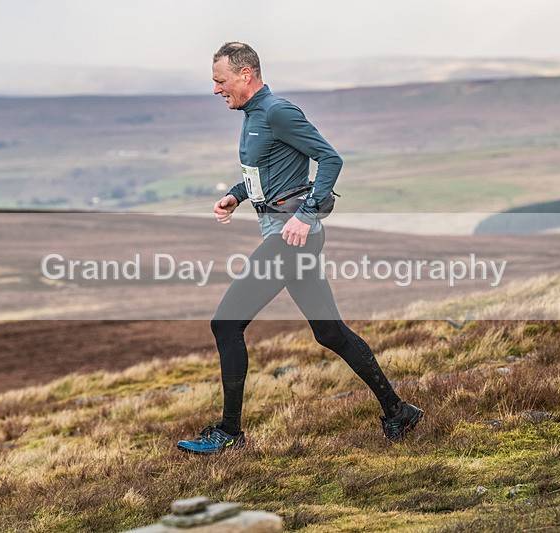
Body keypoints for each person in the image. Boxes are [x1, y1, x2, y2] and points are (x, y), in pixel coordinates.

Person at [176, 42, 423, 454]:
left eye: (221, 81)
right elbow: (268, 173)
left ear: (245, 75)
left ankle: (229, 434)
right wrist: (236, 196)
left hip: (291, 239)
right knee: (330, 332)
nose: (217, 89)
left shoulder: (277, 111)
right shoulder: (254, 115)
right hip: (288, 236)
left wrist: (305, 216)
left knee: (226, 324)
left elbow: (330, 159)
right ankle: (399, 412)